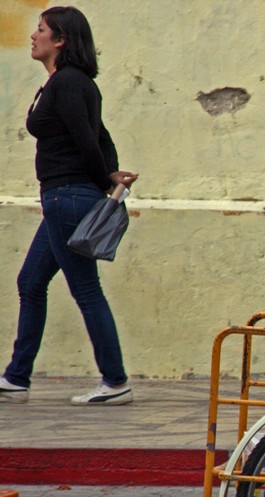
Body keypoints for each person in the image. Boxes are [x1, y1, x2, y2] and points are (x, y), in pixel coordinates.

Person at [0, 6, 138, 406]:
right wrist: (109, 174)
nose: (33, 35)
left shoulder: (69, 83)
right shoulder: (65, 83)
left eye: (40, 29)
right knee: (30, 282)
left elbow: (86, 139)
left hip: (68, 198)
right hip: (64, 198)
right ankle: (17, 378)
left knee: (86, 290)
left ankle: (115, 382)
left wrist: (103, 181)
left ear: (59, 40)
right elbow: (102, 135)